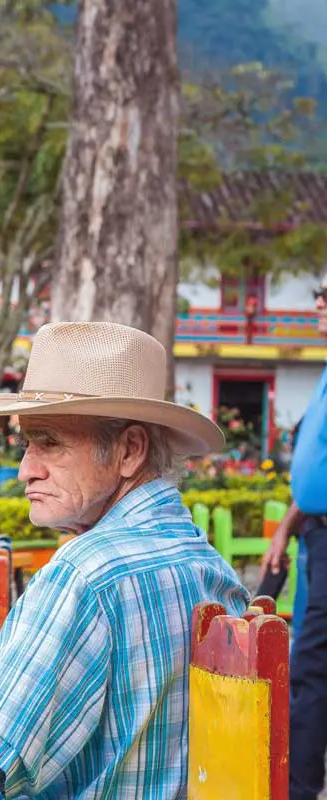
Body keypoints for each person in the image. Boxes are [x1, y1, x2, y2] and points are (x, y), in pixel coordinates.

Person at [0, 321, 247, 798]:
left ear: (129, 450)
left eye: (50, 443)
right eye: (26, 444)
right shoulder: (208, 563)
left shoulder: (84, 574)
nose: (25, 470)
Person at [263, 277, 327, 800]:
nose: (320, 303)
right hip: (315, 539)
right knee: (308, 660)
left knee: (308, 665)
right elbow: (313, 475)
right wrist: (285, 528)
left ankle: (300, 790)